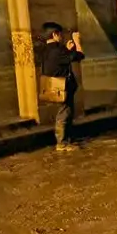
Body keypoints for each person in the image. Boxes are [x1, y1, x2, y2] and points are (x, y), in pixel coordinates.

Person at [40, 22, 85, 151]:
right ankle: (62, 142)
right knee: (64, 113)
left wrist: (67, 49)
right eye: (60, 34)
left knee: (66, 111)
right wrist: (77, 42)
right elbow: (80, 56)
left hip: (51, 86)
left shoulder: (45, 50)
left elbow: (59, 61)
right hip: (62, 86)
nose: (62, 37)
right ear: (55, 34)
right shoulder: (58, 50)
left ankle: (68, 139)